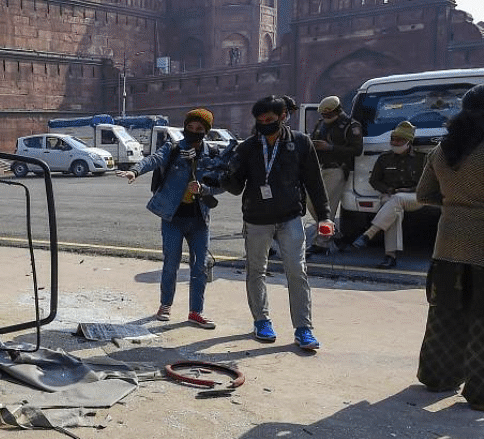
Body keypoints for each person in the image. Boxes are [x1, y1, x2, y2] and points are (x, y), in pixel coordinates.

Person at [222, 95, 334, 350]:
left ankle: (303, 328)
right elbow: (236, 187)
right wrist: (224, 175)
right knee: (256, 271)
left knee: (297, 271)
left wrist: (325, 216)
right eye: (260, 121)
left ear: (284, 116)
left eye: (270, 120)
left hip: (290, 217)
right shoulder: (248, 148)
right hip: (256, 219)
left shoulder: (301, 143)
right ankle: (261, 321)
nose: (265, 124)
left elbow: (314, 183)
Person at [414, 83, 484, 413]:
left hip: (447, 243)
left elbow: (424, 194)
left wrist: (456, 205)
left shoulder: (443, 148)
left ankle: (437, 377)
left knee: (445, 311)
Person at [117, 108, 221, 328]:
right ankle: (165, 304)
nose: (194, 132)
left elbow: (222, 181)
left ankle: (196, 312)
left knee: (200, 266)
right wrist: (134, 171)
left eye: (199, 129)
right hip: (173, 218)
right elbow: (154, 160)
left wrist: (204, 189)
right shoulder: (173, 148)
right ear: (184, 128)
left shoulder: (211, 154)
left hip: (200, 220)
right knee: (171, 263)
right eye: (190, 128)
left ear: (206, 131)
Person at [349, 121, 427, 269]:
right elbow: (374, 180)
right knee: (394, 210)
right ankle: (390, 256)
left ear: (408, 142)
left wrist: (408, 190)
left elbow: (429, 183)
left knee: (395, 201)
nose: (395, 143)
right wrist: (388, 189)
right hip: (390, 195)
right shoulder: (384, 158)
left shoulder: (422, 159)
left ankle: (369, 234)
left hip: (415, 196)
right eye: (393, 139)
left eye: (399, 140)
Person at [307, 95, 363, 255]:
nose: (325, 117)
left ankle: (322, 243)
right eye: (323, 115)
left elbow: (356, 150)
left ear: (337, 111)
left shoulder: (351, 126)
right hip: (319, 168)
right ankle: (334, 233)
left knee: (326, 207)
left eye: (328, 114)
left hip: (337, 168)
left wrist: (331, 148)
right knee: (310, 202)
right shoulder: (321, 124)